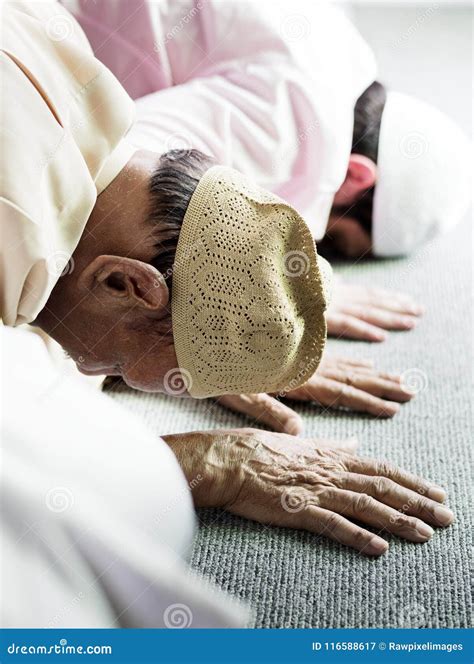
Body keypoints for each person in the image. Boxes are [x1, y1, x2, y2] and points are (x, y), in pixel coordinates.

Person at [0, 1, 454, 560]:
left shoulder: (73, 68)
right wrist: (214, 465)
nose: (92, 374)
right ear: (127, 285)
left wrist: (219, 327)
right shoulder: (15, 232)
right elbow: (19, 462)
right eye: (113, 368)